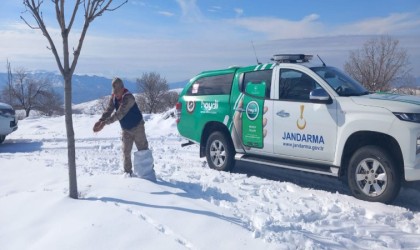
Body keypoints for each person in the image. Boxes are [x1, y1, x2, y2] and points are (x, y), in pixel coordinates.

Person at [93, 77, 155, 179]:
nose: (116, 94)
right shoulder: (113, 97)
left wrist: (105, 123)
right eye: (114, 92)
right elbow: (109, 110)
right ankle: (127, 174)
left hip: (137, 126)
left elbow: (119, 114)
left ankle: (148, 173)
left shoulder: (129, 98)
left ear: (122, 89)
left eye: (117, 92)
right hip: (126, 129)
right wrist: (101, 120)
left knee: (143, 149)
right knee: (126, 151)